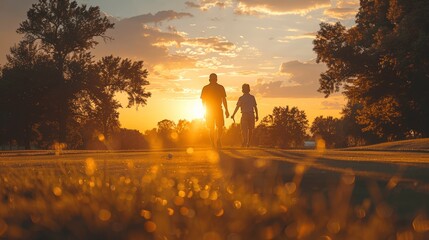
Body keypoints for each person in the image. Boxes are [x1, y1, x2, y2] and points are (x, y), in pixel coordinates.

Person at [201, 73, 229, 149]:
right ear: (209, 79)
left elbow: (224, 99)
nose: (213, 80)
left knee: (220, 126)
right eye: (212, 78)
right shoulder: (205, 88)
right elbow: (203, 101)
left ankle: (218, 139)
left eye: (214, 78)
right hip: (209, 109)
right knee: (211, 127)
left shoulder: (220, 87)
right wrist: (204, 111)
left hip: (218, 109)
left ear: (216, 79)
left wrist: (226, 110)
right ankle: (213, 143)